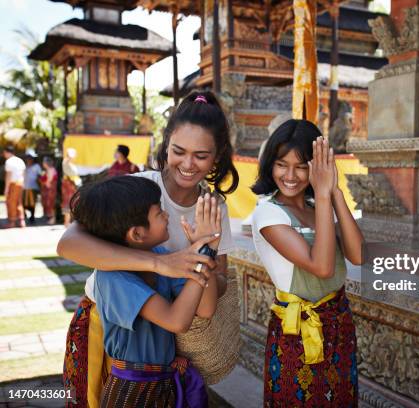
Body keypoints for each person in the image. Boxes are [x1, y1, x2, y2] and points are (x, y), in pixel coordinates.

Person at [58, 90, 239, 407]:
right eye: (179, 151)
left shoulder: (213, 208)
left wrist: (204, 250)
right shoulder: (141, 189)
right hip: (112, 328)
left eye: (201, 156)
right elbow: (69, 243)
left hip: (166, 343)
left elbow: (217, 285)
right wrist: (160, 264)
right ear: (166, 144)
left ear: (218, 155)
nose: (187, 164)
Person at [69, 175, 219, 407]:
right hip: (132, 389)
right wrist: (203, 257)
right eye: (159, 213)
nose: (167, 215)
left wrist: (205, 249)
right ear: (137, 234)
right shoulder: (113, 277)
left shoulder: (161, 256)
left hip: (164, 381)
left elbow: (206, 308)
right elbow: (177, 321)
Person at [251, 119, 364, 407]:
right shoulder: (269, 213)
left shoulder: (319, 208)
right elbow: (322, 267)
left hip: (338, 324)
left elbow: (358, 255)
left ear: (317, 167)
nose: (290, 175)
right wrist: (325, 198)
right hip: (298, 332)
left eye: (301, 166)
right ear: (269, 165)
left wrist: (334, 191)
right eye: (281, 164)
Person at [2, 145, 26, 228]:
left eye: (4, 153)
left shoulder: (9, 162)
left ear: (7, 152)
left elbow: (9, 175)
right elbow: (23, 174)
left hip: (13, 184)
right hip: (20, 183)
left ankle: (12, 222)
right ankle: (21, 220)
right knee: (19, 202)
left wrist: (6, 188)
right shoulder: (20, 160)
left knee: (11, 203)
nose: (4, 155)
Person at [62, 148, 81, 227]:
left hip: (72, 184)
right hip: (69, 184)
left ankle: (69, 222)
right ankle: (66, 222)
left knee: (73, 202)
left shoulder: (70, 163)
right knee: (68, 202)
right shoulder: (66, 162)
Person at [23, 153, 42, 224]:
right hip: (24, 188)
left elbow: (40, 177)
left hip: (33, 188)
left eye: (30, 158)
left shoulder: (37, 166)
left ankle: (32, 217)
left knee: (32, 203)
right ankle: (24, 215)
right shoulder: (25, 166)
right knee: (24, 203)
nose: (29, 160)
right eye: (28, 158)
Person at [40, 157, 58, 225]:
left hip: (50, 190)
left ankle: (52, 219)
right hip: (49, 189)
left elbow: (48, 182)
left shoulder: (50, 169)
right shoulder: (49, 169)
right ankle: (51, 218)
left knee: (50, 203)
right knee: (49, 203)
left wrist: (44, 183)